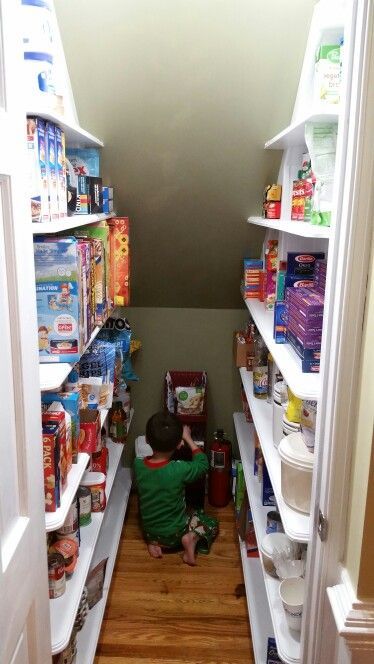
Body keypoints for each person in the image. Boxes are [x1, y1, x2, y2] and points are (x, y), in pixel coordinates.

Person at [134, 411, 218, 565]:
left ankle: (153, 544)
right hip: (176, 535)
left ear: (146, 439)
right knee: (206, 519)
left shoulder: (138, 465)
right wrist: (188, 438)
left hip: (150, 533)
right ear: (179, 444)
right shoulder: (179, 469)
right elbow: (202, 464)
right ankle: (191, 538)